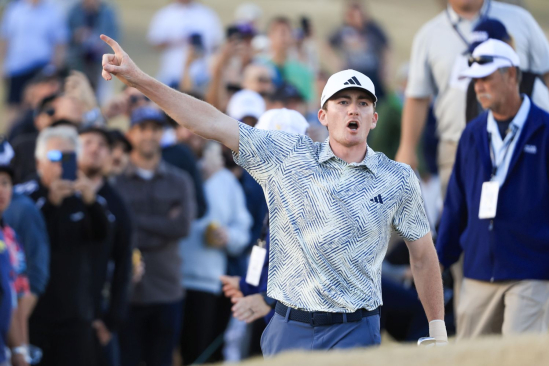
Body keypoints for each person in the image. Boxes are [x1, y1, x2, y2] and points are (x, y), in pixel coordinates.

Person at [100, 34, 448, 354]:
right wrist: (139, 80)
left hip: (356, 330)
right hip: (289, 329)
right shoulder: (286, 155)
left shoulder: (398, 178)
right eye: (342, 102)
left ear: (374, 117)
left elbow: (422, 255)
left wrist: (437, 328)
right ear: (323, 115)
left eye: (362, 103)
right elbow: (208, 121)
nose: (353, 109)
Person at [436, 39, 549, 339]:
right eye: (474, 80)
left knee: (520, 359)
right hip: (477, 275)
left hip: (532, 274)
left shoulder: (546, 130)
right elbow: (455, 207)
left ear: (512, 74)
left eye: (486, 77)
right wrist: (437, 264)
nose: (478, 87)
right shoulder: (471, 134)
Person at [396, 0, 549, 198]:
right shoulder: (429, 35)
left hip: (521, 145)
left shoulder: (520, 20)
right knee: (456, 218)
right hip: (456, 146)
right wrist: (407, 148)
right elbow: (417, 96)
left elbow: (546, 72)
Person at [17, 126, 110, 366]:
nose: (61, 166)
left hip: (75, 315)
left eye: (68, 158)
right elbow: (28, 244)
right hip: (35, 313)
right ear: (39, 162)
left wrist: (91, 203)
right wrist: (52, 204)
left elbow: (105, 238)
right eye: (55, 158)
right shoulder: (26, 198)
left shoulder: (85, 198)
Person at [113, 106, 196, 366]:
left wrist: (134, 221)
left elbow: (182, 227)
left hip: (167, 288)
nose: (149, 135)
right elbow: (117, 231)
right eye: (142, 129)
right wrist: (162, 224)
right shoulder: (116, 181)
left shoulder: (179, 180)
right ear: (130, 134)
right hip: (127, 291)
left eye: (155, 129)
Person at [179, 141, 252, 365]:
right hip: (171, 277)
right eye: (204, 155)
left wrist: (228, 236)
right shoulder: (181, 174)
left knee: (199, 350)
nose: (210, 161)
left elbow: (243, 229)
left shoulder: (227, 183)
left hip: (208, 281)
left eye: (215, 156)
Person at [78, 126, 133, 366]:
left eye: (101, 145)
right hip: (56, 313)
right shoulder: (55, 195)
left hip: (98, 315)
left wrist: (112, 321)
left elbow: (124, 265)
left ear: (110, 155)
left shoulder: (118, 205)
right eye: (87, 142)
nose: (94, 149)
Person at [465, 18, 549, 123]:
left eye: (487, 54)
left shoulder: (531, 84)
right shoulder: (472, 88)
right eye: (475, 52)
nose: (479, 87)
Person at [0, 0, 68, 120]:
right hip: (16, 67)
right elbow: (5, 39)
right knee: (14, 107)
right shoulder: (15, 10)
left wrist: (55, 68)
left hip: (41, 68)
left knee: (39, 107)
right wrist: (2, 64)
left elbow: (59, 42)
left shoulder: (52, 12)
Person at [147, 0, 223, 87]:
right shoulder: (165, 14)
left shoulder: (207, 14)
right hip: (172, 73)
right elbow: (155, 42)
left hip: (200, 74)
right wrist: (176, 40)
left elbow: (216, 43)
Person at [328, 1, 390, 102]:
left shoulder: (372, 29)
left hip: (372, 72)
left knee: (377, 100)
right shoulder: (343, 30)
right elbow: (327, 44)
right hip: (352, 72)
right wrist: (336, 62)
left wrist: (386, 68)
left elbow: (386, 47)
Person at [67, 0, 119, 98]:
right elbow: (65, 35)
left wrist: (97, 41)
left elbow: (113, 36)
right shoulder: (75, 11)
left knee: (98, 93)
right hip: (78, 60)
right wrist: (77, 35)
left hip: (98, 61)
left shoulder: (106, 12)